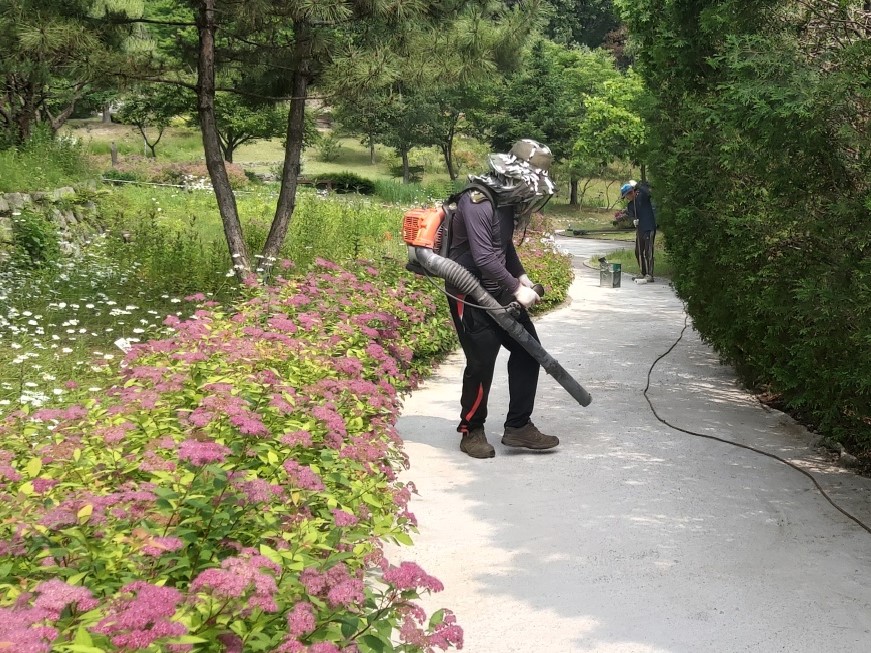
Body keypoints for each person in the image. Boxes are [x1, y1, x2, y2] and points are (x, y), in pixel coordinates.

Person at [445, 139, 559, 459]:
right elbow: (483, 257)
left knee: (529, 351)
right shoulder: (477, 201)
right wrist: (517, 290)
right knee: (481, 363)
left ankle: (519, 426)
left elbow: (503, 246)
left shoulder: (505, 201)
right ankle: (471, 430)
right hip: (468, 290)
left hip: (498, 286)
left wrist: (521, 277)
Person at [621, 180, 657, 282]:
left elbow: (647, 191)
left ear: (631, 192)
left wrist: (637, 185)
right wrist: (633, 220)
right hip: (640, 229)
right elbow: (632, 215)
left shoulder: (642, 196)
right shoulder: (630, 205)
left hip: (649, 227)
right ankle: (643, 272)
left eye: (626, 196)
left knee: (648, 252)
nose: (626, 198)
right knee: (638, 252)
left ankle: (649, 275)